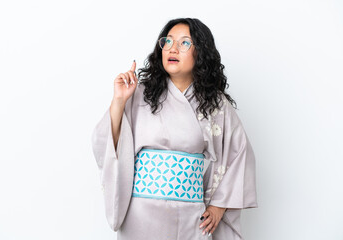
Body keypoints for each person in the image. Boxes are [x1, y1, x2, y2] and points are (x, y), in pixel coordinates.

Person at [91, 18, 258, 240]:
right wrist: (119, 101)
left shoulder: (216, 104)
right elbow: (106, 143)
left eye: (184, 43)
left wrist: (219, 206)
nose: (173, 48)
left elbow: (240, 153)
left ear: (201, 52)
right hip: (142, 214)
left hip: (192, 216)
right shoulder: (139, 94)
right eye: (167, 41)